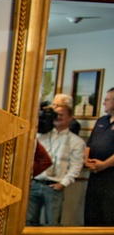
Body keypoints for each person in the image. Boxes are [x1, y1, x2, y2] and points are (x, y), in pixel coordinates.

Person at [26, 99, 85, 226]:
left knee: (52, 224)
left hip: (54, 187)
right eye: (55, 115)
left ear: (70, 118)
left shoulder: (77, 142)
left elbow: (76, 166)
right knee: (29, 222)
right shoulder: (40, 136)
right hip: (35, 184)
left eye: (61, 115)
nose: (57, 117)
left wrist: (63, 184)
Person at [85, 88, 114, 225]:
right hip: (95, 176)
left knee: (108, 216)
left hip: (110, 178)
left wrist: (104, 164)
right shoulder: (102, 120)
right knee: (91, 215)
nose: (103, 103)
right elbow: (89, 144)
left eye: (107, 100)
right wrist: (86, 161)